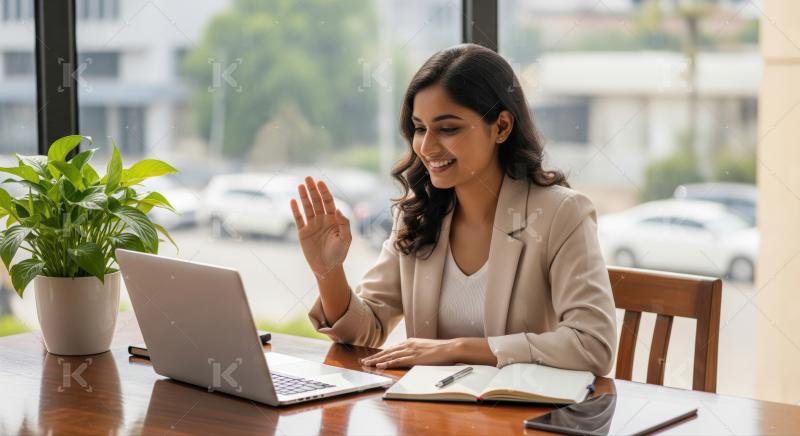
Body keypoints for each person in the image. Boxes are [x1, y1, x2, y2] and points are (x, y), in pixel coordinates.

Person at [289, 44, 617, 375]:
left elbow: (592, 345)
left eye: (448, 129)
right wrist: (328, 271)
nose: (427, 147)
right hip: (430, 418)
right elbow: (367, 329)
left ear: (501, 127)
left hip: (519, 419)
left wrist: (457, 350)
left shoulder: (562, 213)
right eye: (419, 128)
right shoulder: (419, 214)